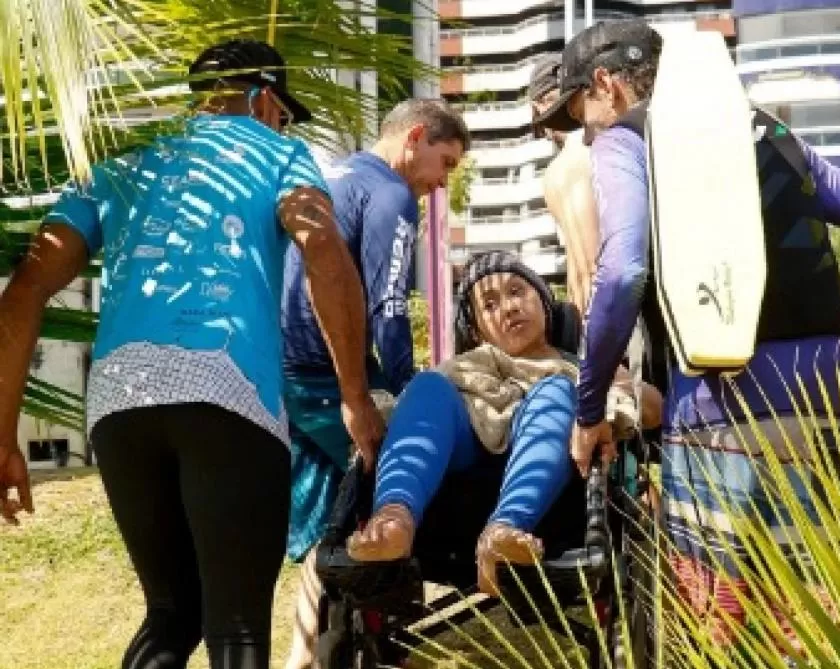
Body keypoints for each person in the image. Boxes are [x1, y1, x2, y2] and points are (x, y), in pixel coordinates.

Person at [536, 18, 840, 648]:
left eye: (582, 110)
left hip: (725, 411)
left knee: (725, 629)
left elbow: (625, 266)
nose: (587, 129)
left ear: (606, 84)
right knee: (822, 624)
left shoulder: (627, 140)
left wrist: (588, 408)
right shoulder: (768, 130)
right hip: (832, 402)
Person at [0, 39, 383, 669]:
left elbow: (26, 288)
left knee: (170, 617)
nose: (284, 125)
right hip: (228, 390)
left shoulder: (119, 162)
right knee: (235, 629)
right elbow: (324, 252)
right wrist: (353, 397)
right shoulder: (280, 152)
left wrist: (3, 434)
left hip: (122, 399)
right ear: (264, 101)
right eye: (285, 113)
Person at [345, 251, 661, 595]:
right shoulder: (463, 369)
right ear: (477, 331)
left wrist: (606, 388)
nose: (509, 307)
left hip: (556, 493)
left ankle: (502, 532)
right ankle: (394, 518)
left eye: (517, 292)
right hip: (451, 484)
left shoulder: (582, 367)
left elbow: (654, 407)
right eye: (490, 304)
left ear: (543, 302)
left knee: (556, 389)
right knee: (427, 388)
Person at [281, 98, 469, 669]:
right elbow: (389, 308)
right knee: (395, 496)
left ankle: (303, 657)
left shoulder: (328, 175)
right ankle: (383, 647)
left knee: (331, 529)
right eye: (446, 163)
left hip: (282, 372)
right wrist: (413, 393)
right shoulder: (391, 195)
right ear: (414, 137)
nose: (441, 184)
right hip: (327, 377)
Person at [530, 55, 600, 318]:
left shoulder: (571, 162)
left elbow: (591, 268)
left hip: (608, 322)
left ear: (539, 106)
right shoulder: (590, 154)